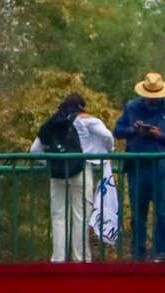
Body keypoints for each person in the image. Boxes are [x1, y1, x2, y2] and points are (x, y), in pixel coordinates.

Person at [30, 93, 114, 263]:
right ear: (81, 106)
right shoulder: (87, 120)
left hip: (57, 173)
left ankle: (58, 259)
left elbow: (34, 150)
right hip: (81, 170)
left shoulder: (53, 122)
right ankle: (80, 258)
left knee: (58, 215)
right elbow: (107, 136)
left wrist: (48, 164)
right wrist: (108, 151)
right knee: (81, 215)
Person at [113, 71, 165, 261]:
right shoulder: (131, 108)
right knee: (138, 212)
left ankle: (164, 252)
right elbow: (118, 131)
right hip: (137, 166)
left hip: (162, 168)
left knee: (163, 210)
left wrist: (160, 135)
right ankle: (138, 252)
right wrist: (134, 130)